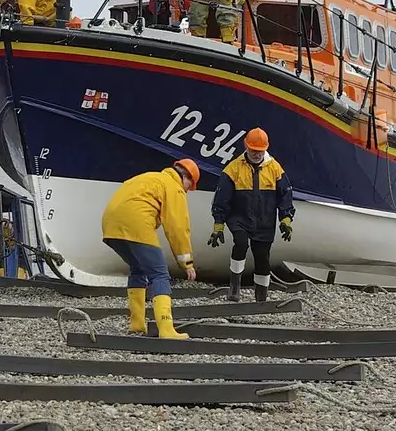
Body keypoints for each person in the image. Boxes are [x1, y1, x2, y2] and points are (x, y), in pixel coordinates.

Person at [99, 158, 200, 339]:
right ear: (186, 179)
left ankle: (137, 325)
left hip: (110, 225)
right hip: (135, 223)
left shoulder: (150, 177)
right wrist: (186, 262)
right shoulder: (174, 186)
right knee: (159, 274)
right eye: (189, 187)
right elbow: (177, 227)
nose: (186, 191)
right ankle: (166, 329)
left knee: (138, 269)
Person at [208, 128, 295, 304]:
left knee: (262, 256)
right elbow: (222, 197)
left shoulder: (275, 168)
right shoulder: (233, 169)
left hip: (264, 220)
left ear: (265, 149)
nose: (257, 154)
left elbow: (285, 194)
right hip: (239, 217)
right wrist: (219, 224)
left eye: (260, 151)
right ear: (246, 146)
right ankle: (234, 287)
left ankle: (261, 297)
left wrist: (286, 219)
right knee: (240, 244)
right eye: (254, 150)